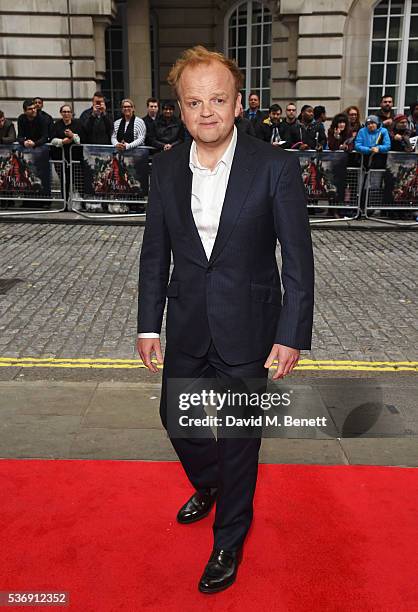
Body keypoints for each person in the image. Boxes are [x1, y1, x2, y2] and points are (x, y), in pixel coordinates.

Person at [137, 45, 314, 595]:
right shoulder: (164, 168)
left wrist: (291, 333)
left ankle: (229, 538)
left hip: (250, 328)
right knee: (177, 420)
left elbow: (298, 258)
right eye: (194, 102)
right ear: (180, 110)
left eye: (218, 99)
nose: (206, 111)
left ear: (239, 104)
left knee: (241, 438)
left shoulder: (276, 167)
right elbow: (154, 253)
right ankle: (213, 483)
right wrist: (149, 325)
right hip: (187, 322)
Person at [50, 104, 86, 205]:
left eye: (68, 112)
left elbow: (80, 140)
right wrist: (62, 141)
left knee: (77, 181)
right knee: (64, 181)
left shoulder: (78, 124)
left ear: (71, 114)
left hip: (75, 158)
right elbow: (52, 140)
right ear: (61, 113)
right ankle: (65, 202)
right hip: (60, 158)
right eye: (64, 112)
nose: (66, 114)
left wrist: (72, 135)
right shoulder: (56, 125)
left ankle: (81, 202)